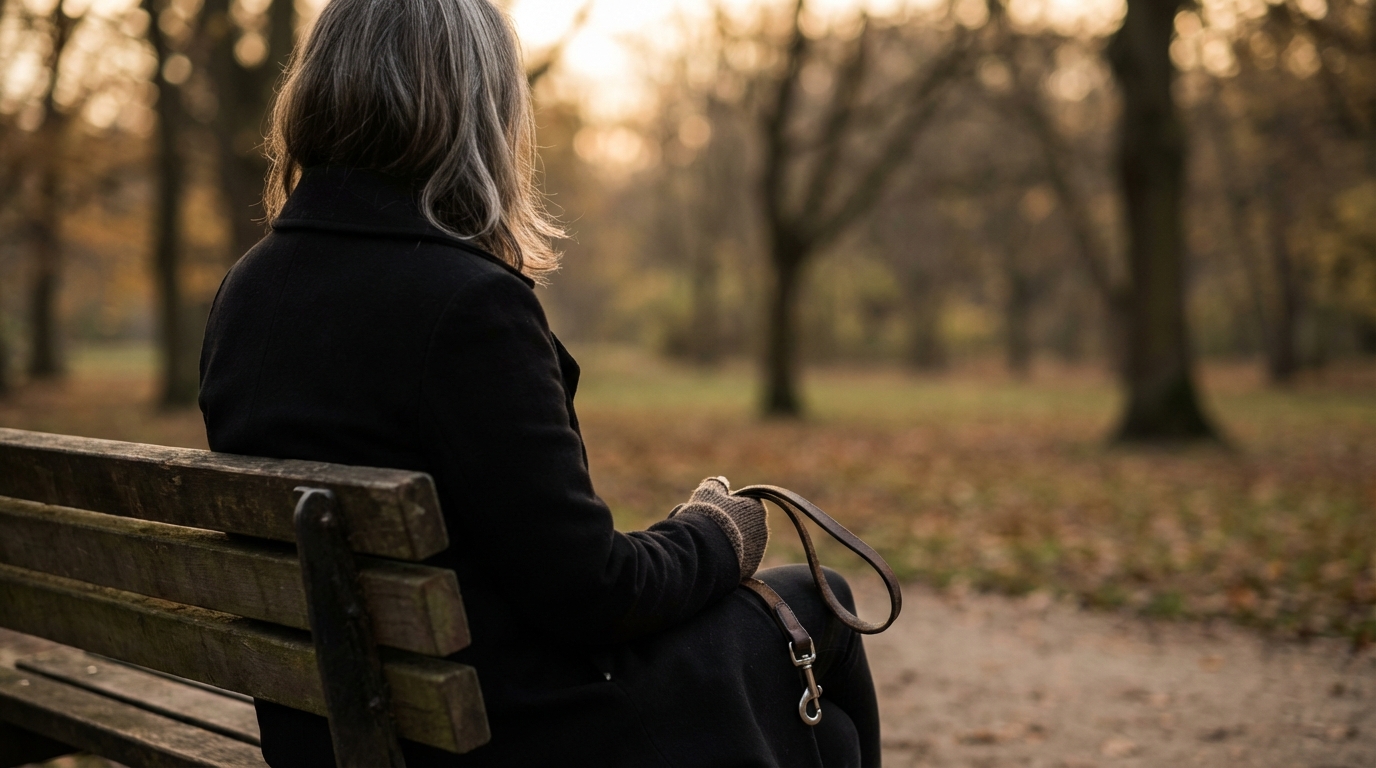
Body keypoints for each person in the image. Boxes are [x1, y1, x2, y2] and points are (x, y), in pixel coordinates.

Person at [198, 0, 879, 765]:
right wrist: (715, 533)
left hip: (327, 728)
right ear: (480, 112)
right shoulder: (467, 306)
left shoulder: (247, 290)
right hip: (505, 734)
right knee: (824, 605)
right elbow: (595, 595)